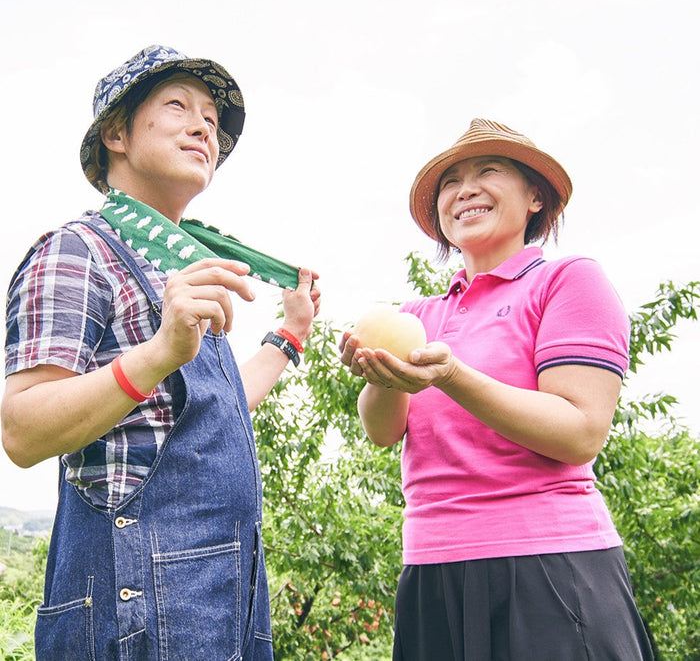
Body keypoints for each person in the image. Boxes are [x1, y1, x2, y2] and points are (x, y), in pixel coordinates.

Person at [2, 45, 320, 660]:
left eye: (212, 119)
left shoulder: (181, 263)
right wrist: (156, 352)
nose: (205, 127)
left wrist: (290, 337)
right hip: (136, 611)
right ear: (116, 134)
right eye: (178, 106)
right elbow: (22, 430)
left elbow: (202, 411)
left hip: (224, 598)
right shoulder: (76, 251)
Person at [340, 119, 654, 660]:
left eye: (489, 171)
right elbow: (381, 431)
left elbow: (580, 432)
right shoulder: (416, 316)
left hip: (548, 565)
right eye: (450, 181)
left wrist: (452, 376)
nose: (465, 189)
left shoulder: (566, 280)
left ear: (535, 195)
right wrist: (381, 376)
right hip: (431, 567)